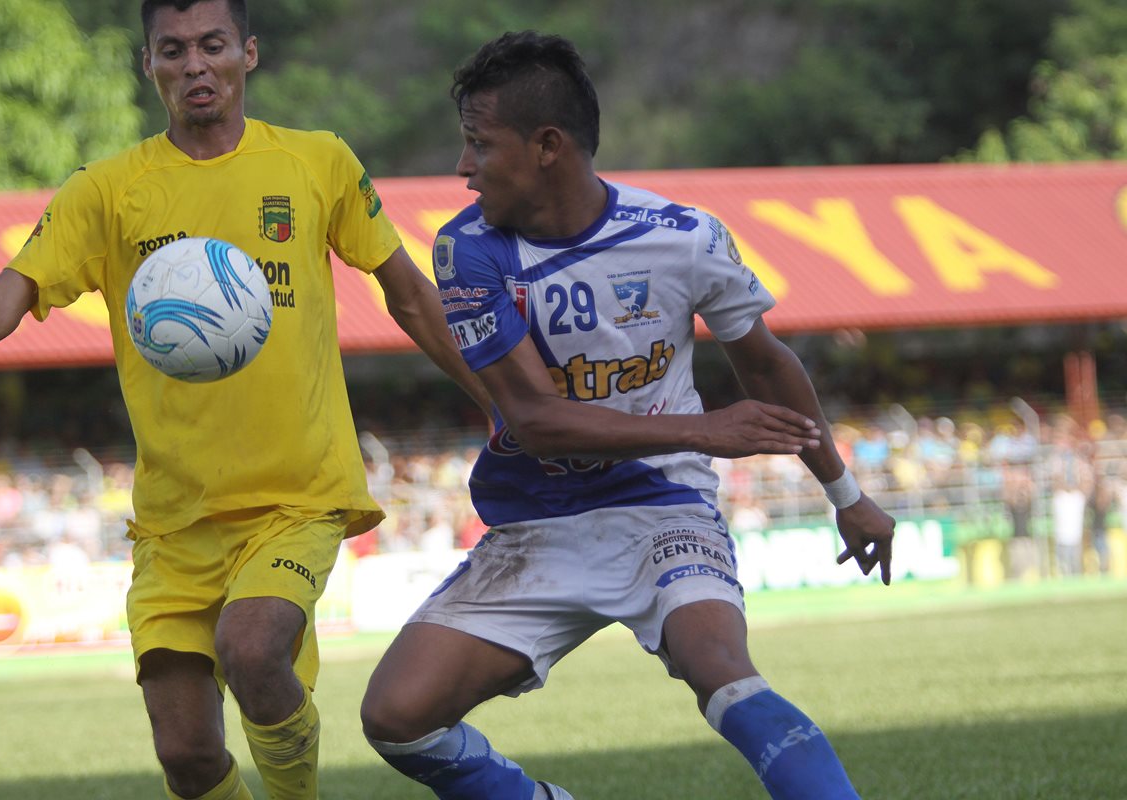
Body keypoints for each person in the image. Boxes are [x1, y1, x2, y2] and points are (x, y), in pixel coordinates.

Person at [0, 1, 493, 798]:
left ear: (248, 53)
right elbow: (4, 297)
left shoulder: (317, 162)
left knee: (253, 647)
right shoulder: (108, 191)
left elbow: (408, 296)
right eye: (173, 50)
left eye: (212, 44)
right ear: (148, 65)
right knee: (187, 757)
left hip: (295, 499)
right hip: (174, 522)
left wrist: (498, 400)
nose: (195, 64)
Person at [359, 31, 897, 800]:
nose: (462, 166)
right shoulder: (467, 250)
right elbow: (537, 421)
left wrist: (846, 494)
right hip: (539, 519)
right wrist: (703, 429)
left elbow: (766, 365)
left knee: (721, 669)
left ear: (547, 147)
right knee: (395, 717)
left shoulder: (685, 238)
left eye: (480, 143)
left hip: (662, 503)